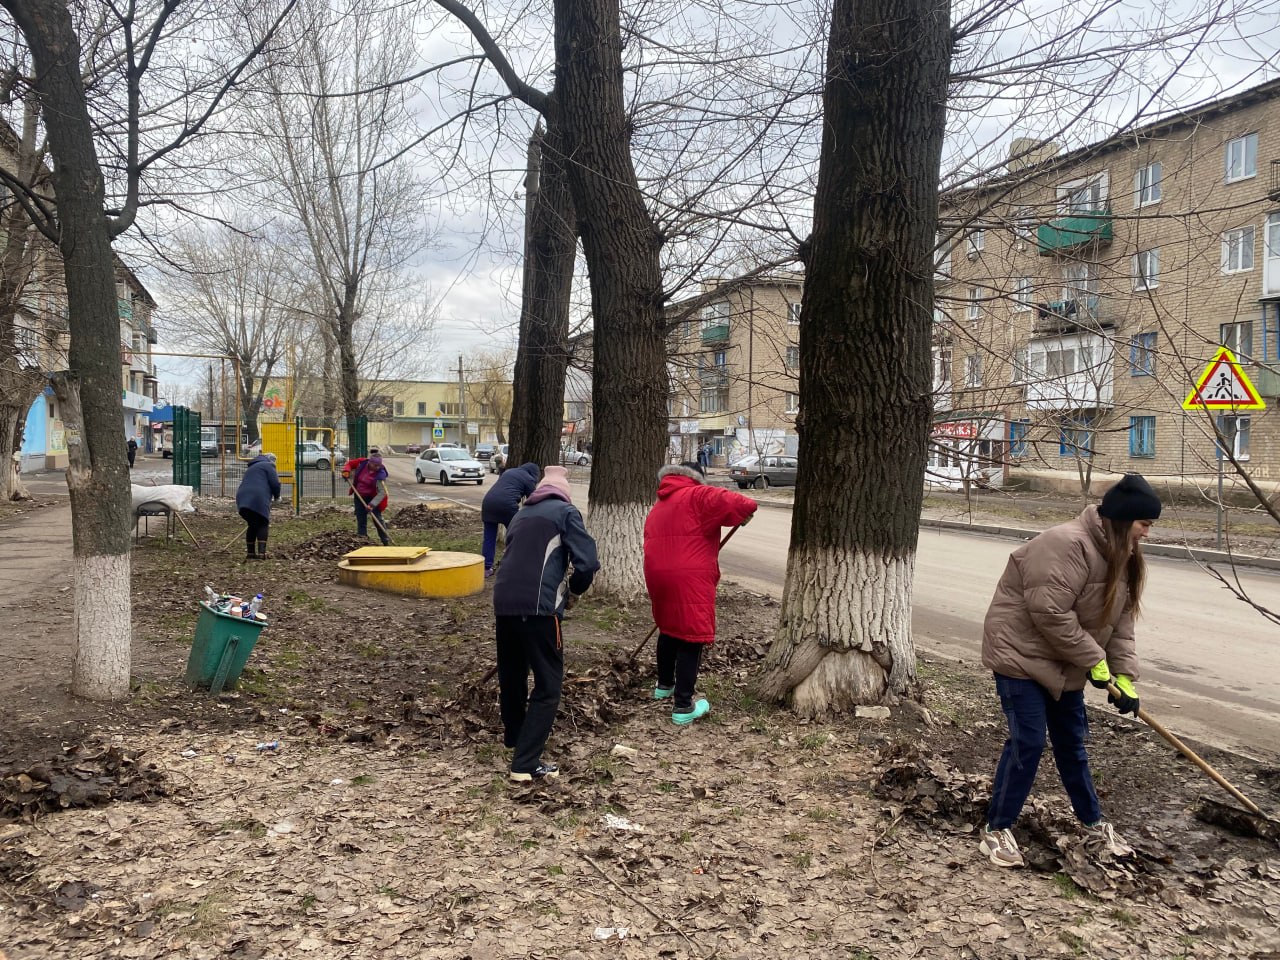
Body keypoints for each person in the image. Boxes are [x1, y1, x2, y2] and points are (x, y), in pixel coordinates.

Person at [978, 473, 1162, 868]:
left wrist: (1124, 675)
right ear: (1125, 519)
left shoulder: (1122, 554)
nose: (1147, 533)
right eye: (1145, 524)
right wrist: (1093, 660)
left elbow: (1120, 622)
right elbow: (1050, 612)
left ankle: (1093, 823)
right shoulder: (1064, 544)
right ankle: (996, 829)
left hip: (1065, 660)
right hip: (1021, 655)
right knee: (1027, 742)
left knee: (1072, 743)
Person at [493, 464, 599, 782]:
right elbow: (587, 562)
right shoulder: (566, 513)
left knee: (512, 676)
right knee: (548, 686)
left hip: (503, 603)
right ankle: (524, 764)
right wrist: (575, 591)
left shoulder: (521, 515)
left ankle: (515, 738)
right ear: (563, 492)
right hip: (538, 609)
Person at [643, 461, 757, 725]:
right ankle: (683, 705)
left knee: (669, 628)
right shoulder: (697, 494)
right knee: (690, 636)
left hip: (658, 575)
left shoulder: (660, 504)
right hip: (688, 577)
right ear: (697, 478)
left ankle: (664, 686)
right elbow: (745, 504)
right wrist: (742, 515)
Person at [480, 461, 541, 577]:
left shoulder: (509, 472)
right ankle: (514, 565)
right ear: (534, 474)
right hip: (507, 506)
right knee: (517, 535)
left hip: (488, 503)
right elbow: (534, 499)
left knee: (489, 537)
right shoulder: (528, 478)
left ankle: (486, 568)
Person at [235, 452, 281, 560]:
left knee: (252, 524)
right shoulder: (268, 465)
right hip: (258, 497)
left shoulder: (253, 466)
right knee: (262, 522)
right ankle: (261, 554)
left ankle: (250, 554)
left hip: (242, 497)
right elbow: (275, 483)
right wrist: (277, 497)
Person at [343, 448, 390, 545]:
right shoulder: (362, 463)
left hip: (373, 498)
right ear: (370, 462)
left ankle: (385, 541)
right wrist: (346, 471)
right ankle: (362, 540)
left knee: (377, 519)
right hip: (359, 495)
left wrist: (372, 505)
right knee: (361, 518)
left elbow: (382, 492)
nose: (377, 467)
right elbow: (350, 464)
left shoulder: (381, 474)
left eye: (379, 465)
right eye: (375, 465)